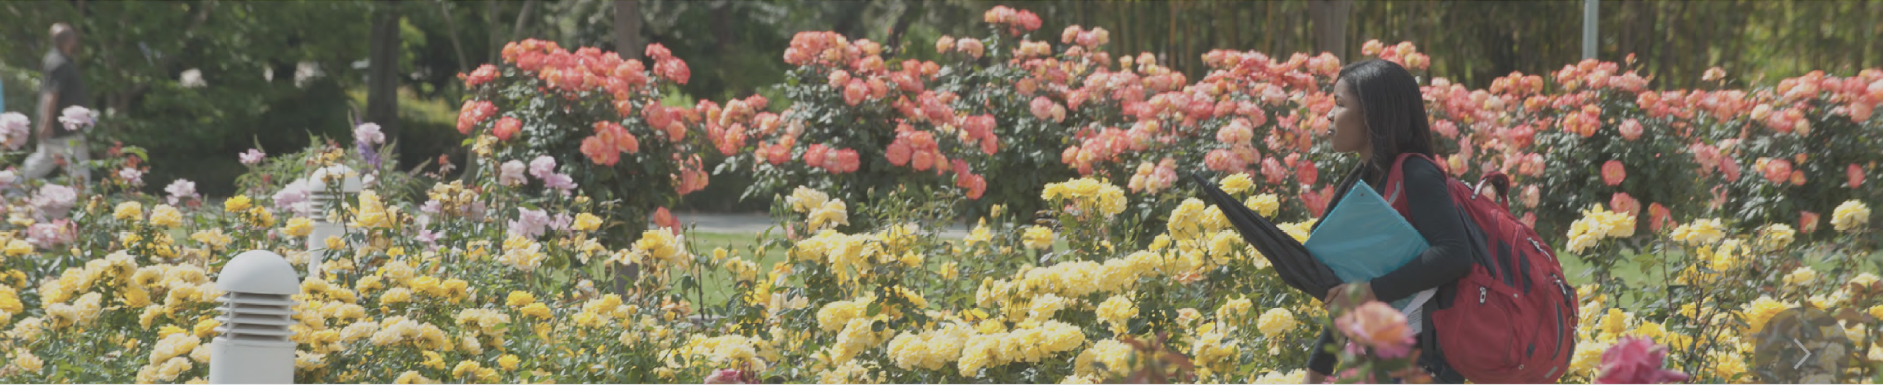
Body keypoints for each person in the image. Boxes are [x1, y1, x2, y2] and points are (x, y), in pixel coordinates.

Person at [1302, 59, 1474, 384]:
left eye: (1339, 104)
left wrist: (1372, 290)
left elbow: (1454, 253)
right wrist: (1318, 368)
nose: (1328, 114)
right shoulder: (1370, 180)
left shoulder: (1415, 174)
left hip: (1425, 365)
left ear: (1372, 115)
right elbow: (1352, 287)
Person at [24, 22, 90, 182]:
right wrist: (46, 123)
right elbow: (52, 93)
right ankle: (85, 201)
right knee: (78, 168)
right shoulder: (59, 63)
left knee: (43, 160)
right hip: (64, 129)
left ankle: (12, 183)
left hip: (57, 128)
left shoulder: (55, 59)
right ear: (70, 40)